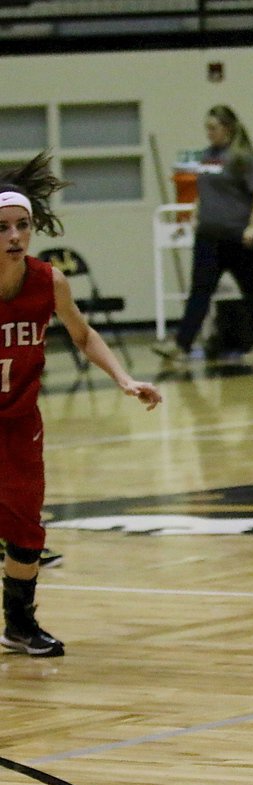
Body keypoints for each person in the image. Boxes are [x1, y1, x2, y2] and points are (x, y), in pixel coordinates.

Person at [1, 152, 163, 657]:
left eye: (23, 226)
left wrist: (123, 378)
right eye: (3, 227)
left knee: (28, 529)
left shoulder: (49, 281)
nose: (14, 237)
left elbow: (82, 334)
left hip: (20, 421)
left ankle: (19, 625)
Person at [153, 105, 253, 367]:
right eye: (206, 128)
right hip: (209, 236)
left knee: (251, 288)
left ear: (227, 128)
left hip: (239, 237)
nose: (208, 133)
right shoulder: (208, 156)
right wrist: (194, 216)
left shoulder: (243, 157)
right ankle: (181, 344)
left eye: (213, 128)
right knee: (200, 290)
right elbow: (204, 190)